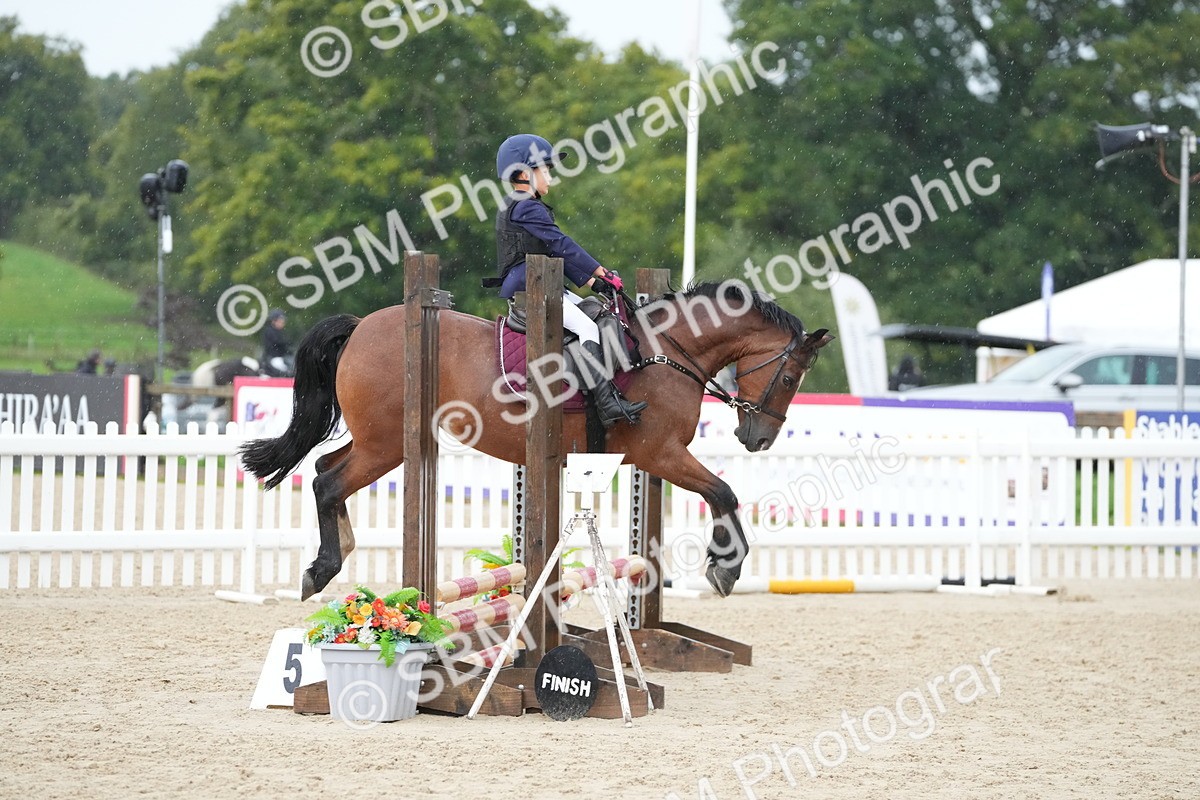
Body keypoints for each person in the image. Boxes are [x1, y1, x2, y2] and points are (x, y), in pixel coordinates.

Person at [488, 133, 646, 428]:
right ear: (524, 174)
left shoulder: (524, 204)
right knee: (586, 327)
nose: (550, 177)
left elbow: (551, 250)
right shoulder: (525, 205)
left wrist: (590, 282)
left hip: (544, 283)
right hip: (532, 289)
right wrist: (600, 271)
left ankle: (604, 390)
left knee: (594, 310)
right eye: (544, 170)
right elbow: (561, 244)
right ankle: (607, 403)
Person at [260, 309, 292, 377]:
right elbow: (278, 344)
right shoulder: (269, 331)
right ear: (274, 321)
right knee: (286, 372)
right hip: (273, 358)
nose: (282, 323)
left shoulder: (280, 332)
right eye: (280, 321)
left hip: (281, 357)